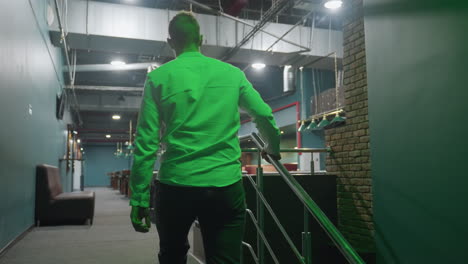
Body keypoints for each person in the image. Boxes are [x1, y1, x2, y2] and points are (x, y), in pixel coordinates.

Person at [129, 11, 281, 264]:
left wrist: (139, 198)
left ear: (170, 42)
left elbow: (145, 142)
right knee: (226, 259)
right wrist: (272, 147)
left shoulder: (157, 78)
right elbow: (264, 115)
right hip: (224, 185)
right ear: (202, 39)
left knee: (172, 255)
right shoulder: (231, 74)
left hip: (175, 185)